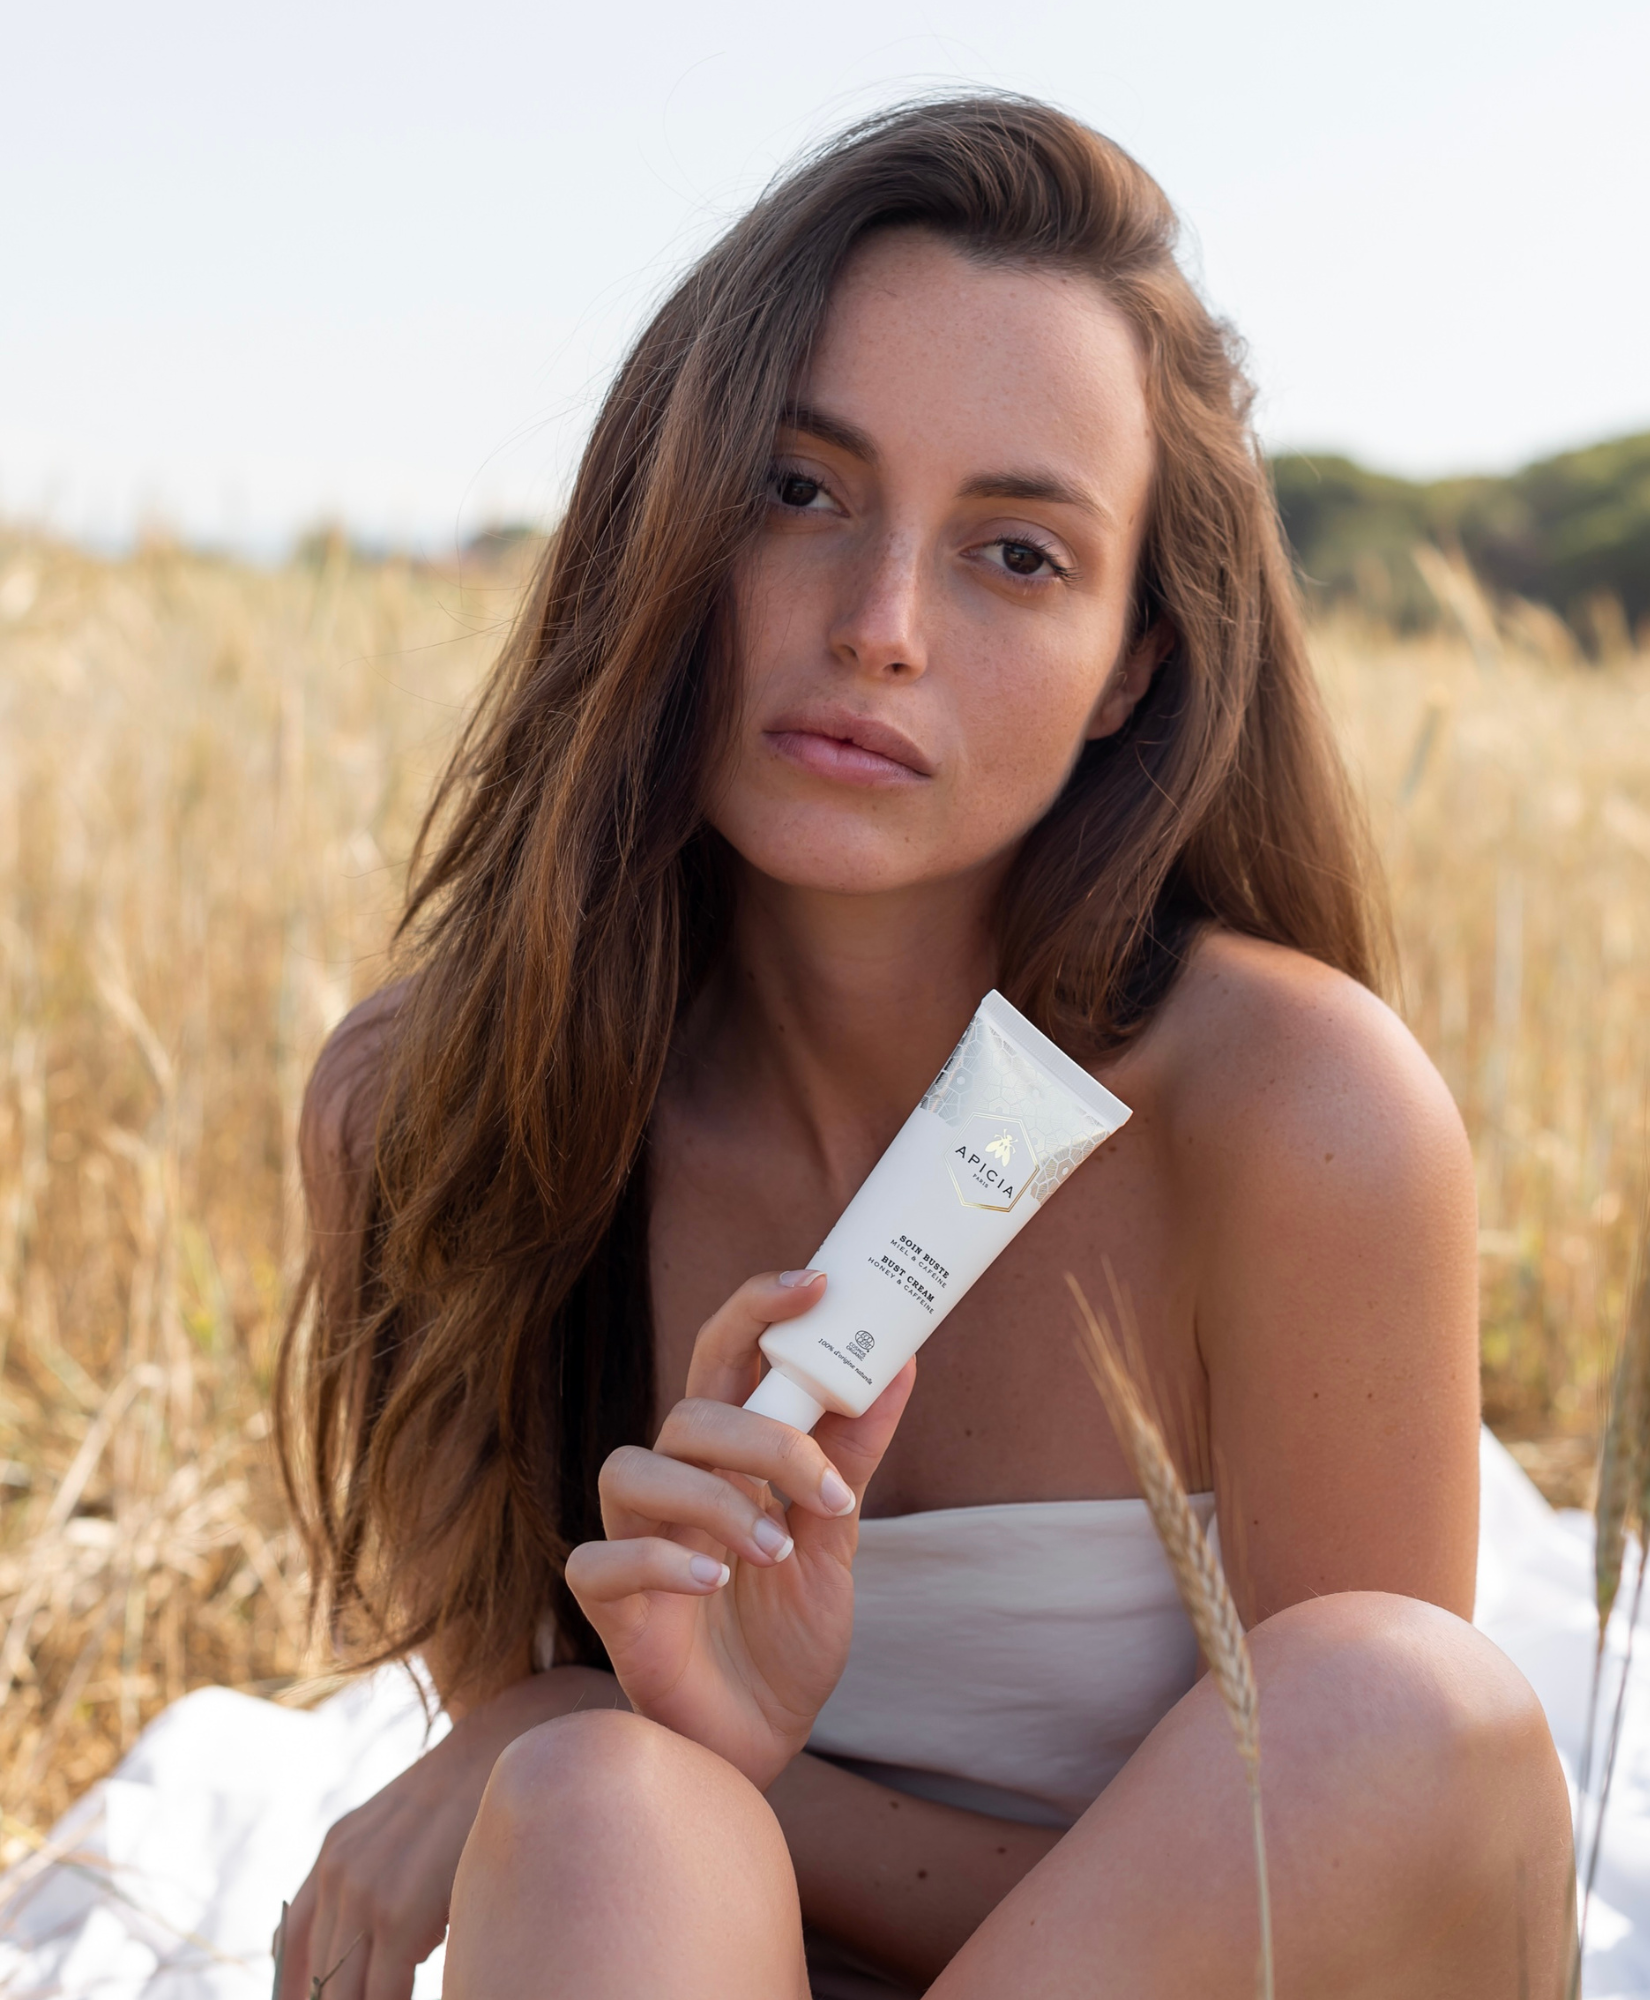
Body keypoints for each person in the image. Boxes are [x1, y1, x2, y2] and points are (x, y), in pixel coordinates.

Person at [274, 96, 1570, 2000]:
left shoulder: (1293, 1114)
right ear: (667, 514)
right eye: (797, 491)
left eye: (1018, 554)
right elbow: (592, 1875)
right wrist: (604, 1743)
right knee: (611, 1814)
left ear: (1138, 656)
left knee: (1396, 1705)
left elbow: (1360, 1882)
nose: (878, 627)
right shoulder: (434, 1117)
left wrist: (588, 1733)